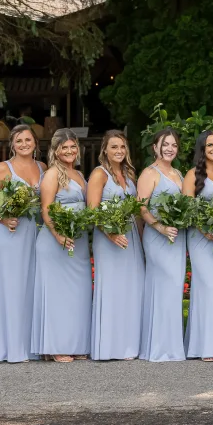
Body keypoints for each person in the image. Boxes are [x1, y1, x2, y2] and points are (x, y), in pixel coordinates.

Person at [0, 124, 45, 363]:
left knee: (32, 286)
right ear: (12, 145)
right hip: (10, 234)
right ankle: (10, 347)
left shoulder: (43, 167)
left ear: (35, 143)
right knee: (12, 288)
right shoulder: (3, 169)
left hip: (36, 234)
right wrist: (3, 218)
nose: (24, 144)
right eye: (19, 141)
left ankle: (31, 346)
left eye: (28, 139)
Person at [33, 128, 91, 362]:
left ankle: (75, 343)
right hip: (56, 241)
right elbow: (46, 210)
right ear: (55, 151)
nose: (69, 151)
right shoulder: (52, 175)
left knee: (78, 293)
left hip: (78, 241)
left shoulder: (79, 174)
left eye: (73, 147)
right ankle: (56, 346)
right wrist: (59, 236)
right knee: (57, 295)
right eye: (64, 147)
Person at [88, 130, 144, 361]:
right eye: (114, 147)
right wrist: (110, 233)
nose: (119, 151)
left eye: (122, 147)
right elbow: (92, 210)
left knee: (132, 287)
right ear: (105, 150)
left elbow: (137, 212)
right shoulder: (99, 174)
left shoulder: (129, 174)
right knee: (111, 289)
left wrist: (141, 241)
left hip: (130, 236)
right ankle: (109, 347)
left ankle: (129, 345)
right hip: (108, 238)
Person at [137, 128, 187, 362]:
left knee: (174, 288)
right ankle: (158, 347)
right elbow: (142, 208)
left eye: (174, 145)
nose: (169, 148)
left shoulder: (178, 173)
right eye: (165, 144)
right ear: (155, 147)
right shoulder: (149, 173)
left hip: (176, 237)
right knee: (162, 285)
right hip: (158, 236)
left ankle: (172, 346)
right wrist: (160, 227)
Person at [182, 130, 213, 361]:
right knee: (207, 286)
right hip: (201, 238)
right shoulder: (193, 174)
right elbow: (187, 208)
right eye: (210, 145)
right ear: (202, 148)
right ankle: (204, 346)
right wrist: (206, 230)